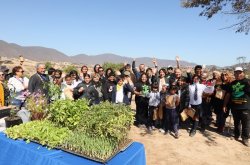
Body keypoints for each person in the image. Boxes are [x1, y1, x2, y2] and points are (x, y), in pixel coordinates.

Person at [223, 67, 250, 147]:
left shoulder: (247, 82)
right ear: (234, 74)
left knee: (246, 124)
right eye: (236, 73)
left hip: (245, 107)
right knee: (236, 122)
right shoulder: (232, 83)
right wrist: (224, 105)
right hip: (234, 107)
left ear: (243, 73)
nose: (238, 74)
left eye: (240, 72)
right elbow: (228, 95)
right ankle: (236, 134)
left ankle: (245, 138)